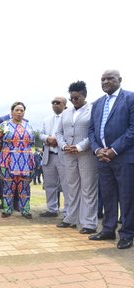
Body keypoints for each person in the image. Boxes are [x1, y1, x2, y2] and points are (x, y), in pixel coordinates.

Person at [88, 70, 134, 249]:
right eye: (102, 79)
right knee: (108, 195)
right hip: (103, 159)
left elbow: (132, 129)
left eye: (110, 78)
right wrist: (98, 149)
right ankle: (108, 229)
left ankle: (127, 233)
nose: (105, 81)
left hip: (124, 158)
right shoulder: (98, 103)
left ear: (120, 80)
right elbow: (91, 131)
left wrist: (114, 150)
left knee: (127, 197)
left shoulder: (130, 99)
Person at [56, 81, 98, 234]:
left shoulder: (93, 110)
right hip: (68, 154)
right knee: (71, 187)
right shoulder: (66, 113)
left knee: (88, 188)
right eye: (72, 98)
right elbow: (58, 133)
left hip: (85, 154)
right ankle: (71, 218)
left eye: (77, 98)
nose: (74, 101)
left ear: (84, 95)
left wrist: (80, 146)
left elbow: (94, 132)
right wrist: (63, 145)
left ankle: (89, 223)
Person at [0, 102, 34, 219]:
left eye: (22, 110)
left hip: (25, 161)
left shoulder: (28, 125)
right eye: (17, 110)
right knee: (8, 185)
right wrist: (6, 152)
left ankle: (25, 210)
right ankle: (7, 209)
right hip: (8, 160)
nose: (19, 112)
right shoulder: (4, 125)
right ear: (12, 112)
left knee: (24, 186)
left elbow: (32, 143)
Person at [39, 96, 68, 218]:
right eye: (53, 102)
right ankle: (52, 209)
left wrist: (59, 141)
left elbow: (72, 135)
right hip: (49, 156)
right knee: (50, 184)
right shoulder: (47, 119)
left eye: (58, 102)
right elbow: (40, 134)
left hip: (63, 156)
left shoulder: (69, 118)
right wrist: (47, 138)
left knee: (67, 185)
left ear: (65, 105)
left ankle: (68, 211)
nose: (55, 104)